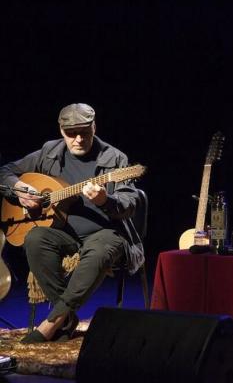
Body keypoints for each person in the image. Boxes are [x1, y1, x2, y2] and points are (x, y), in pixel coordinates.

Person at [0, 103, 144, 343]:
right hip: (62, 232)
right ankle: (66, 318)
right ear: (61, 131)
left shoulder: (115, 159)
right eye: (71, 134)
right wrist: (20, 188)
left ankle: (52, 322)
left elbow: (130, 203)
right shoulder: (49, 152)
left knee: (101, 249)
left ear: (94, 127)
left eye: (85, 133)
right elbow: (5, 171)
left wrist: (104, 199)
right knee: (34, 238)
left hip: (104, 233)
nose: (78, 139)